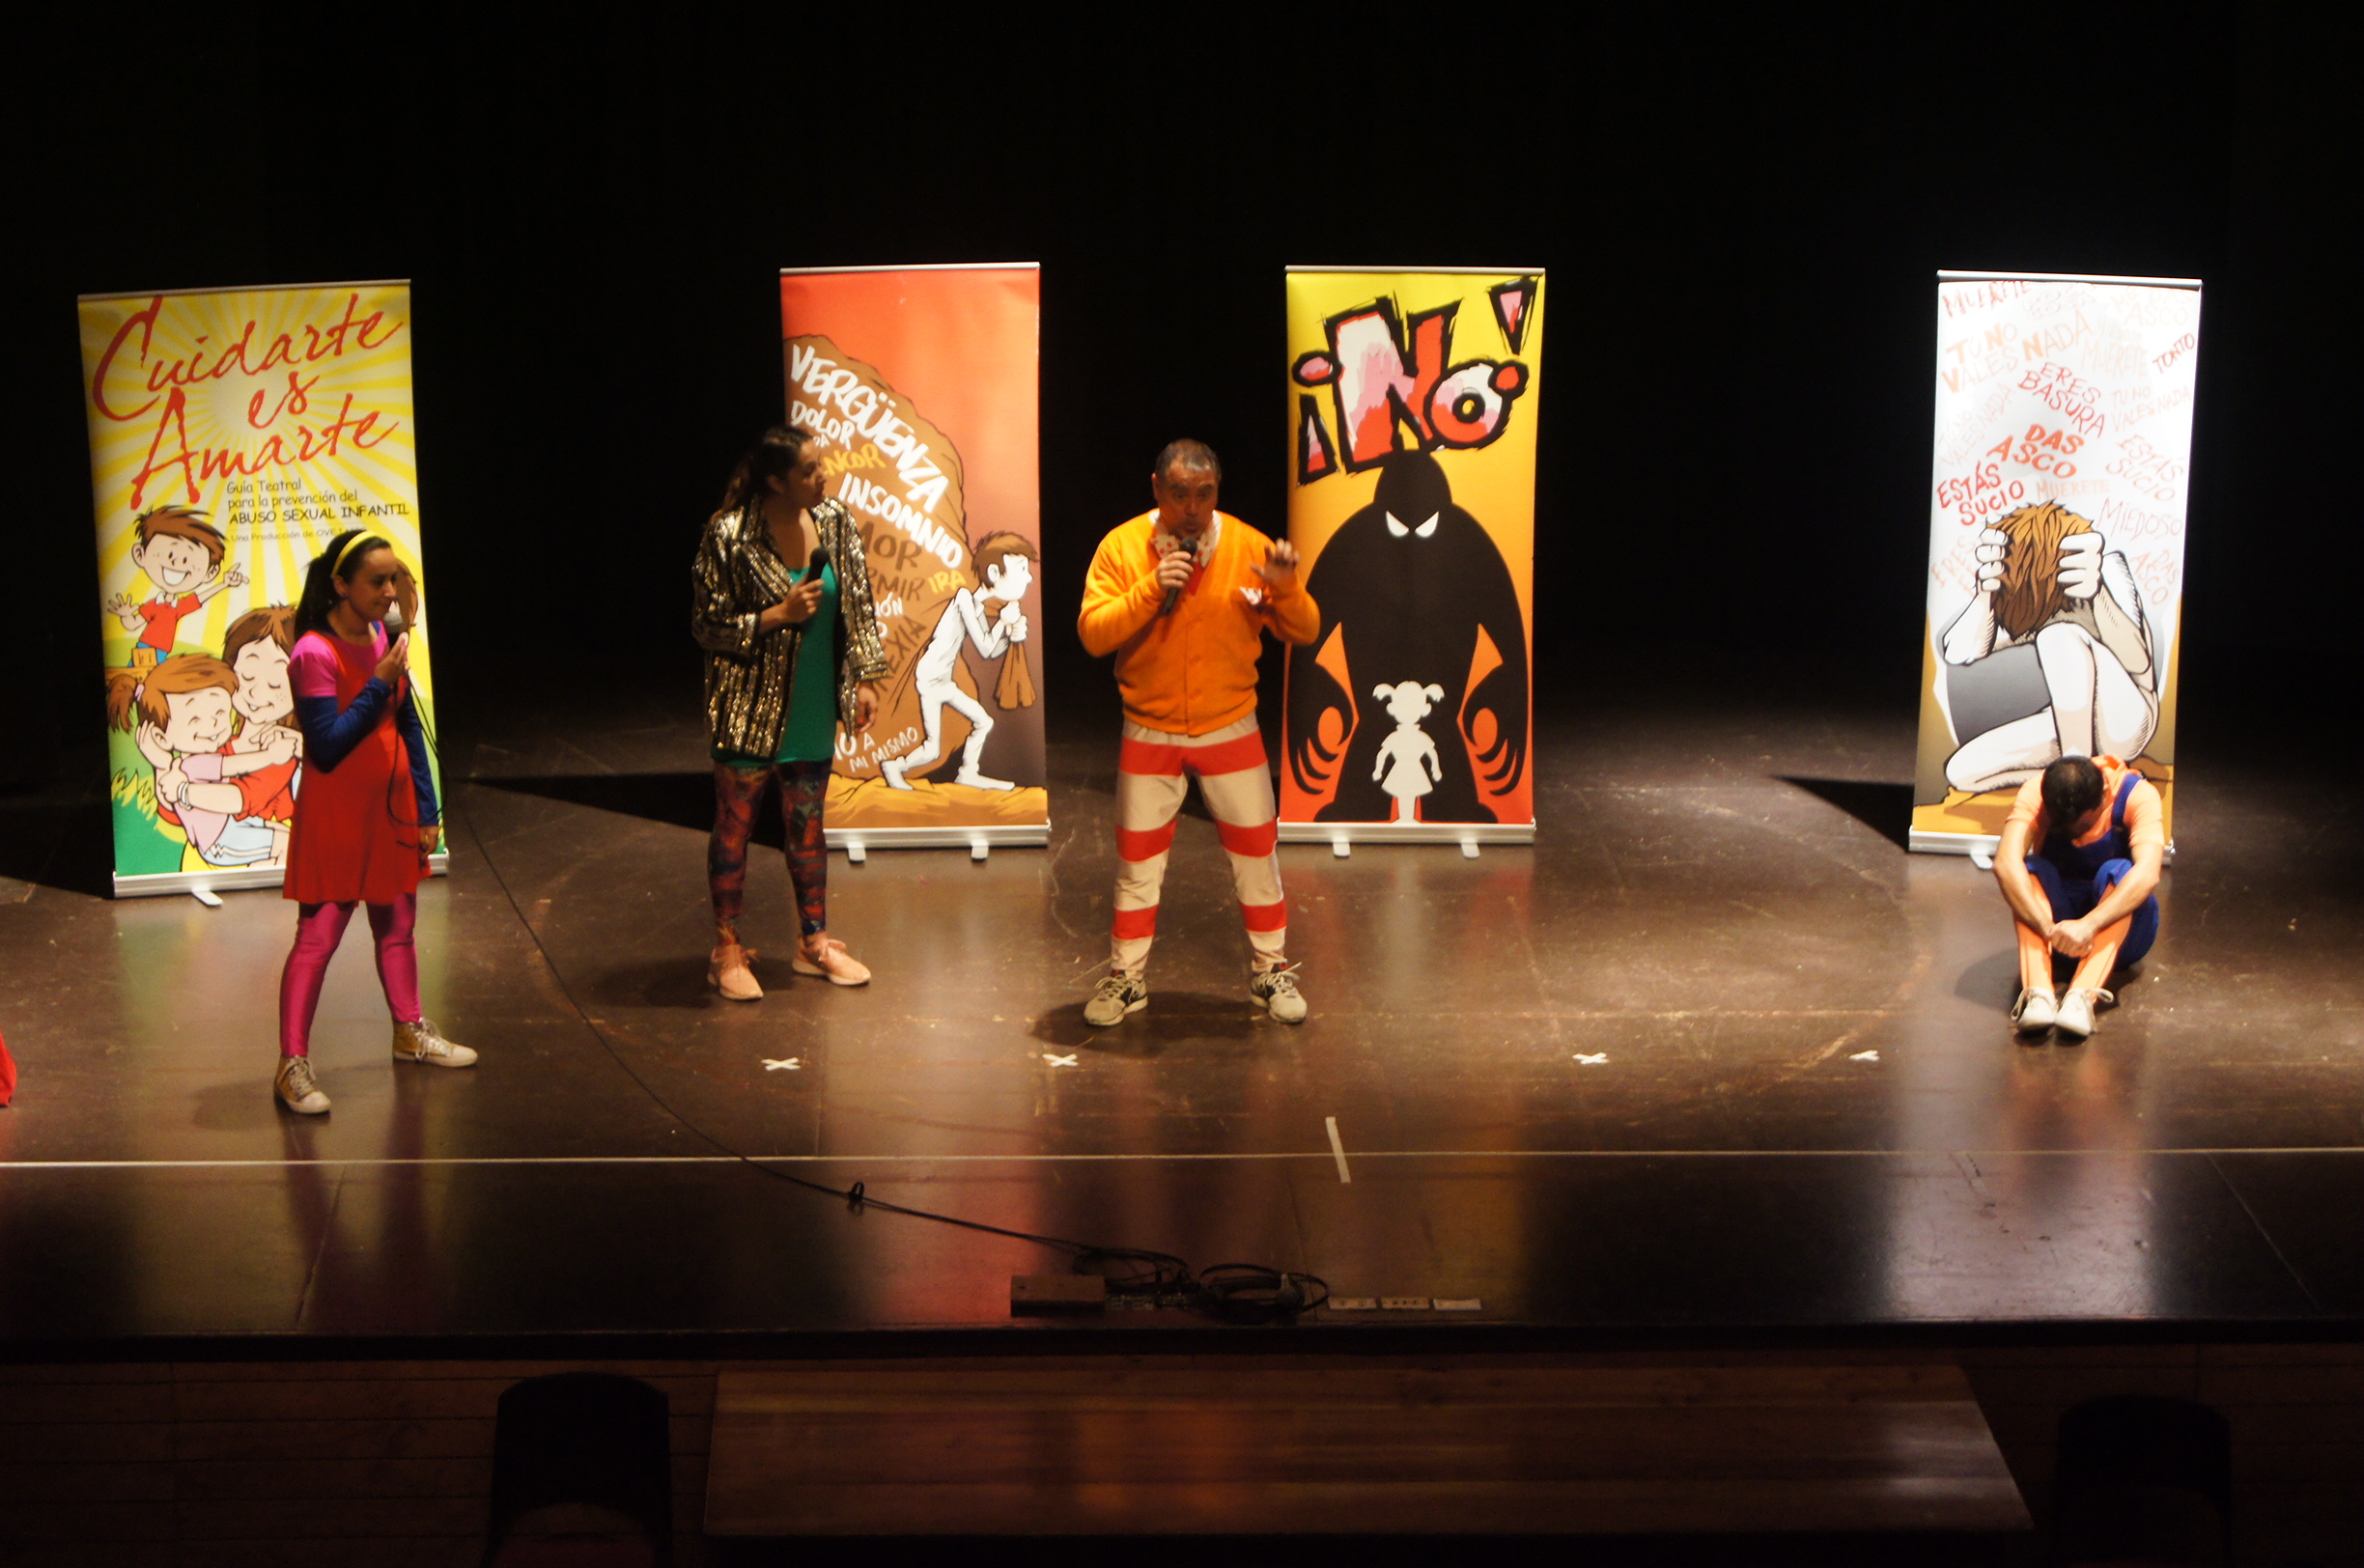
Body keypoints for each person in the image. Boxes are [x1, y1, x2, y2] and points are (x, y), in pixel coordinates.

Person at [1077, 439, 1320, 1026]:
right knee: (1137, 864)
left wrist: (1286, 588)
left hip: (1229, 723)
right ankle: (1126, 978)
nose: (1192, 508)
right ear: (1157, 489)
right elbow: (1092, 634)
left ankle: (1270, 969)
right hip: (1150, 728)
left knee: (1257, 855)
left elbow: (1306, 630)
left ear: (1217, 492)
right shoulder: (1121, 547)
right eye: (1180, 493)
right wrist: (1149, 588)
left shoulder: (1249, 547)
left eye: (1204, 494)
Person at [272, 530, 471, 1115]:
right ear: (341, 585)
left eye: (393, 580)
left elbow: (408, 724)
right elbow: (328, 745)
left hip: (392, 807)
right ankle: (291, 1065)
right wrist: (378, 679)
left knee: (399, 926)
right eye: (377, 581)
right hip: (337, 813)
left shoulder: (385, 636)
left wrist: (428, 808)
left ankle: (410, 1032)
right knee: (318, 939)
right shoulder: (314, 652)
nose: (389, 592)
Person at [692, 425, 889, 1000]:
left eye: (820, 464)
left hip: (811, 702)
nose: (823, 476)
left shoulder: (835, 522)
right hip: (749, 707)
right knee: (736, 828)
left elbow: (858, 604)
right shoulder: (730, 534)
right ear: (777, 481)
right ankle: (727, 948)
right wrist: (777, 614)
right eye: (809, 470)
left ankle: (814, 942)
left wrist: (865, 677)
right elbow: (707, 626)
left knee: (808, 826)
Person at [1939, 501, 2157, 795]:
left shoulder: (2106, 569)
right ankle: (2084, 777)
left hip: (2127, 721)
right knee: (1962, 771)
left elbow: (2139, 661)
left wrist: (2099, 594)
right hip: (2072, 721)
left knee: (2058, 635)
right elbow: (1958, 652)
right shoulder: (2029, 599)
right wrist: (1985, 594)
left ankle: (2078, 780)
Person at [1993, 752, 2164, 1042]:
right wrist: (2047, 928)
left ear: (2105, 795)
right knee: (2028, 870)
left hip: (2123, 938)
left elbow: (2147, 873)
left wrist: (2089, 924)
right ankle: (2039, 994)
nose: (2074, 832)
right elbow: (2005, 862)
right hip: (2059, 935)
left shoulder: (2138, 795)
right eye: (2065, 826)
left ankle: (2081, 997)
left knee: (2121, 871)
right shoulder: (2037, 791)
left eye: (2083, 824)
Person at [878, 531, 1037, 792]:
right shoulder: (964, 598)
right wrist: (1003, 623)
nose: (1028, 577)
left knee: (983, 722)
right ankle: (894, 767)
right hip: (931, 677)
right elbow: (985, 646)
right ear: (994, 573)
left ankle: (968, 773)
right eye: (1021, 568)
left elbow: (990, 650)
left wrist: (1010, 635)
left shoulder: (975, 606)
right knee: (933, 749)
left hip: (941, 679)